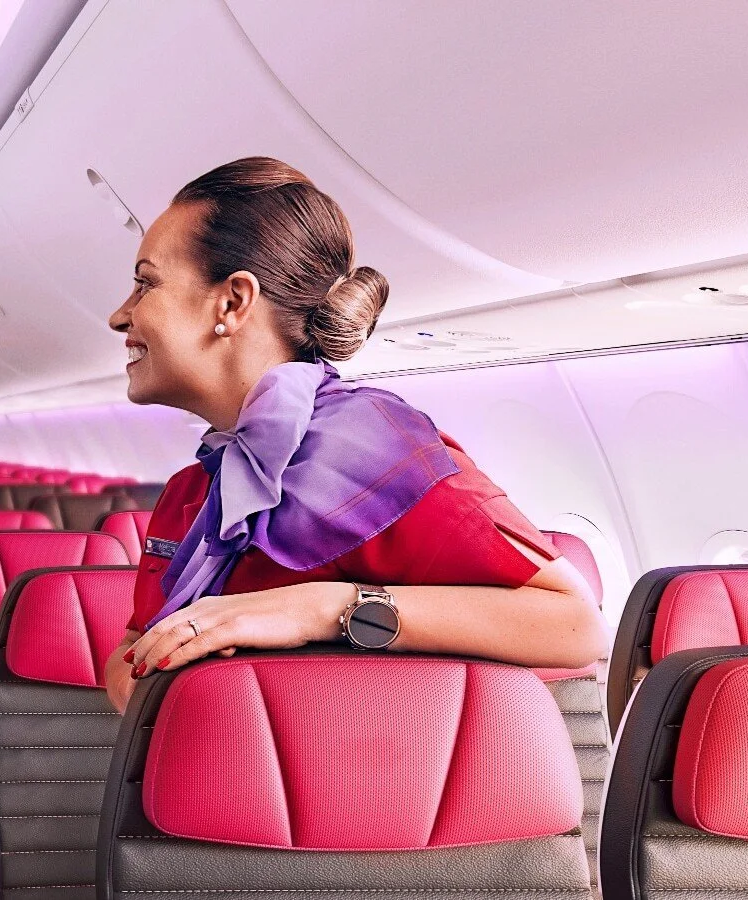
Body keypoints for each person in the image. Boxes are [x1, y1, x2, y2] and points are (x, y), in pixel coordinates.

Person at [100, 157, 607, 711]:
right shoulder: (190, 494)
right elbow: (134, 646)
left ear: (232, 302)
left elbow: (574, 625)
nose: (120, 317)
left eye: (145, 284)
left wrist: (322, 609)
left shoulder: (381, 463)